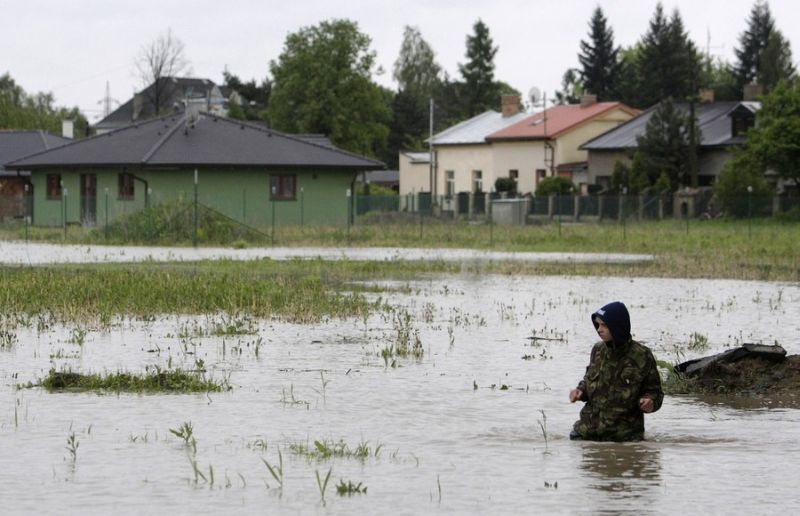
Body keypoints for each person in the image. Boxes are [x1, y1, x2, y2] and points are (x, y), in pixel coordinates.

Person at [569, 301, 663, 441]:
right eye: (598, 325)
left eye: (604, 325)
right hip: (586, 432)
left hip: (624, 436)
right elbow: (589, 381)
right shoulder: (598, 350)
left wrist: (649, 402)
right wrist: (580, 392)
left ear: (618, 327)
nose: (599, 329)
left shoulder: (642, 355)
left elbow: (655, 393)